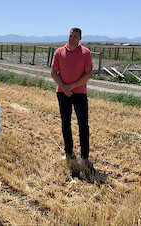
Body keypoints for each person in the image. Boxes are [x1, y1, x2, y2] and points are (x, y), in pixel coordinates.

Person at [51, 28, 95, 172]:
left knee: (83, 124)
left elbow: (88, 74)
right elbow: (53, 73)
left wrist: (72, 86)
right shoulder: (59, 52)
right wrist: (64, 87)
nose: (72, 38)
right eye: (70, 36)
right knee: (65, 123)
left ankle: (85, 156)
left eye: (75, 36)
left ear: (80, 38)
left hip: (80, 93)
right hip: (63, 93)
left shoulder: (85, 53)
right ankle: (68, 152)